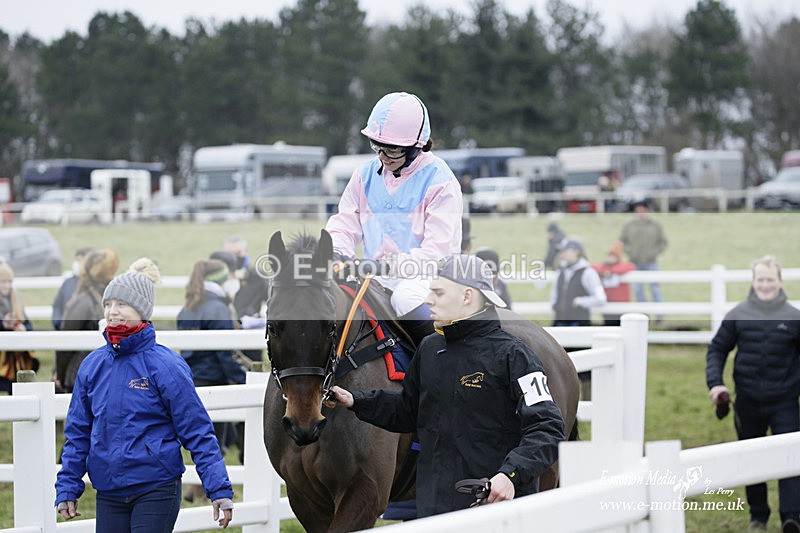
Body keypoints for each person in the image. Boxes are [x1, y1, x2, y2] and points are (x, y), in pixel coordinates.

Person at [324, 254, 564, 518]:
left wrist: (510, 475)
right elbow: (408, 411)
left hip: (497, 512)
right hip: (435, 511)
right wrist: (356, 401)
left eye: (438, 292)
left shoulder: (515, 355)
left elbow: (547, 427)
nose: (428, 300)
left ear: (466, 296)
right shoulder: (429, 349)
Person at [55, 258, 234, 530]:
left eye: (122, 304)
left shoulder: (166, 366)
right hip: (109, 490)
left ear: (142, 310)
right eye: (108, 304)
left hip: (156, 487)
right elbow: (78, 432)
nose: (113, 311)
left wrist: (217, 488)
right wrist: (68, 486)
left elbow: (196, 429)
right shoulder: (92, 366)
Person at [325, 91, 463, 343]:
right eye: (377, 146)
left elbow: (437, 253)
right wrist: (336, 252)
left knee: (405, 298)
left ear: (415, 147)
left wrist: (388, 266)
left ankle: (443, 355)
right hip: (375, 276)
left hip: (429, 278)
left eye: (391, 149)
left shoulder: (440, 181)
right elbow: (344, 223)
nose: (381, 156)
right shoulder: (364, 175)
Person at [706, 255, 800, 532]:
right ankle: (758, 517)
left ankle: (792, 518)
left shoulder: (794, 318)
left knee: (791, 458)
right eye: (760, 280)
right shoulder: (738, 314)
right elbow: (717, 349)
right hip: (747, 401)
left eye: (770, 279)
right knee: (752, 460)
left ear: (780, 281)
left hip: (785, 402)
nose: (765, 285)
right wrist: (716, 384)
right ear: (753, 281)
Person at [177, 259, 245, 460]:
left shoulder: (187, 308)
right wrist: (242, 379)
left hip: (194, 378)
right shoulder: (218, 308)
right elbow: (226, 353)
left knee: (206, 441)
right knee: (215, 445)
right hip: (215, 379)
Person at [55, 248, 120, 393]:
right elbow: (66, 341)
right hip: (82, 374)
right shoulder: (84, 302)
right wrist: (60, 375)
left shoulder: (103, 299)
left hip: (97, 373)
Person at [619, 199, 667, 323]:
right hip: (634, 262)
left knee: (655, 289)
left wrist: (654, 252)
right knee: (638, 290)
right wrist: (630, 251)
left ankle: (660, 316)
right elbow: (623, 241)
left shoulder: (655, 225)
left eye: (643, 209)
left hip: (651, 262)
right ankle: (644, 316)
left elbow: (663, 242)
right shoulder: (629, 225)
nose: (640, 212)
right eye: (638, 209)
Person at [0, 261, 38, 394]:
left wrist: (23, 328)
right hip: (2, 355)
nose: (6, 285)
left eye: (8, 282)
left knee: (15, 388)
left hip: (15, 356)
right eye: (3, 282)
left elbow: (27, 322)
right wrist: (3, 325)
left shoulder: (16, 298)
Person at [550, 238, 607, 327]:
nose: (562, 253)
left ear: (576, 252)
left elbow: (600, 299)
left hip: (578, 323)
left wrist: (580, 301)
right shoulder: (560, 271)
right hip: (559, 321)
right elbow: (554, 294)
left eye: (565, 250)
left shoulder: (588, 272)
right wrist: (555, 305)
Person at [591, 242, 636, 326]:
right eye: (610, 256)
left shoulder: (621, 267)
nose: (611, 258)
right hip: (608, 305)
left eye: (614, 256)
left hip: (622, 306)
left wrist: (610, 271)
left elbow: (630, 266)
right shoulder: (604, 267)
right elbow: (593, 267)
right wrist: (605, 271)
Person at [51, 247, 94, 330]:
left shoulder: (96, 284)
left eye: (80, 261)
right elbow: (57, 306)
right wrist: (59, 323)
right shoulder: (68, 283)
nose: (77, 264)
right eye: (77, 260)